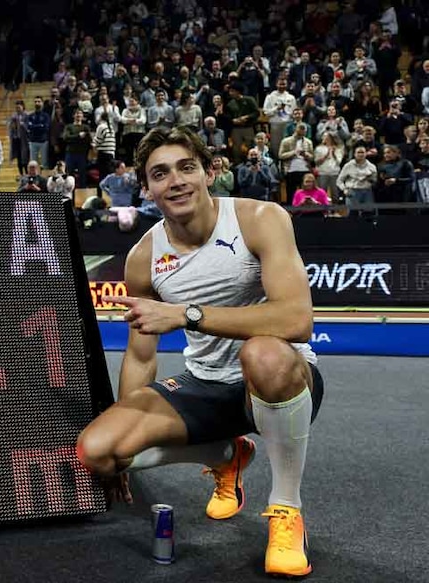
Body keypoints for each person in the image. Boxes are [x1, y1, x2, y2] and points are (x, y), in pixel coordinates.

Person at [76, 126, 323, 578]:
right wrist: (130, 441)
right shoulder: (143, 257)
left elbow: (296, 320)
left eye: (186, 168)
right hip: (206, 385)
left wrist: (186, 315)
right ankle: (227, 456)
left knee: (263, 355)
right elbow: (141, 356)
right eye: (160, 174)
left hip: (280, 376)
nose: (175, 181)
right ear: (146, 188)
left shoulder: (260, 218)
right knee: (98, 452)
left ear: (210, 172)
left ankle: (287, 508)